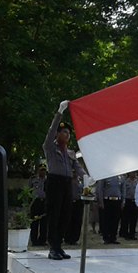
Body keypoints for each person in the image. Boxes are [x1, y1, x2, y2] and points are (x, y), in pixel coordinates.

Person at [43, 100, 84, 261]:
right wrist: (60, 112)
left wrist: (85, 176)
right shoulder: (50, 147)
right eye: (63, 132)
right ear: (58, 134)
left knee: (65, 215)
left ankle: (59, 246)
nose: (66, 135)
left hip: (68, 184)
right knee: (54, 215)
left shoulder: (71, 152)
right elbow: (51, 130)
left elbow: (78, 168)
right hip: (54, 182)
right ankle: (52, 247)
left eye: (68, 133)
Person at [96, 175, 123, 244]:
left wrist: (123, 201)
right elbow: (100, 189)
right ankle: (106, 237)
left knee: (115, 220)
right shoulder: (105, 176)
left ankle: (113, 237)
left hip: (117, 200)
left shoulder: (120, 176)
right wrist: (101, 202)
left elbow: (123, 189)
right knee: (106, 220)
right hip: (107, 200)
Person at [28, 165, 48, 246]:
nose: (42, 172)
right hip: (35, 202)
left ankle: (42, 240)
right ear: (38, 171)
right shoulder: (33, 179)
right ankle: (34, 240)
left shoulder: (48, 180)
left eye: (44, 170)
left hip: (45, 202)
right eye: (41, 170)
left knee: (44, 222)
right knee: (34, 222)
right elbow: (29, 189)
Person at [120, 171, 138, 240]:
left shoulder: (137, 182)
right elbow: (123, 192)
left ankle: (132, 234)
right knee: (126, 219)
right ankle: (125, 233)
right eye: (132, 173)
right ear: (129, 174)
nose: (134, 174)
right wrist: (123, 202)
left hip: (134, 201)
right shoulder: (125, 181)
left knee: (134, 219)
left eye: (135, 173)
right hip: (127, 201)